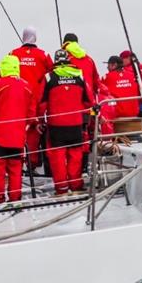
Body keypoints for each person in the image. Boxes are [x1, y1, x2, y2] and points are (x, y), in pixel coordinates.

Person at [39, 50, 92, 194]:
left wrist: (39, 120)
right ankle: (75, 186)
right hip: (75, 123)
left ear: (56, 61)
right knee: (75, 155)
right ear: (68, 60)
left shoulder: (49, 77)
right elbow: (89, 101)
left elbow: (41, 102)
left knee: (58, 158)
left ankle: (62, 188)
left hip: (56, 125)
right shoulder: (79, 75)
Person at [0, 55, 34, 204]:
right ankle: (15, 198)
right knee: (15, 169)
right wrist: (24, 127)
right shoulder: (27, 86)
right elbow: (31, 113)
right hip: (18, 137)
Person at [10, 26, 54, 169]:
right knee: (37, 131)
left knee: (21, 130)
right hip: (38, 99)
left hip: (18, 98)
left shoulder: (13, 54)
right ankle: (34, 163)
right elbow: (52, 74)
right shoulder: (43, 55)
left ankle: (22, 162)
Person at [61, 33, 99, 100]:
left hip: (72, 100)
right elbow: (96, 82)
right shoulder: (89, 59)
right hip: (89, 100)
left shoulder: (63, 60)